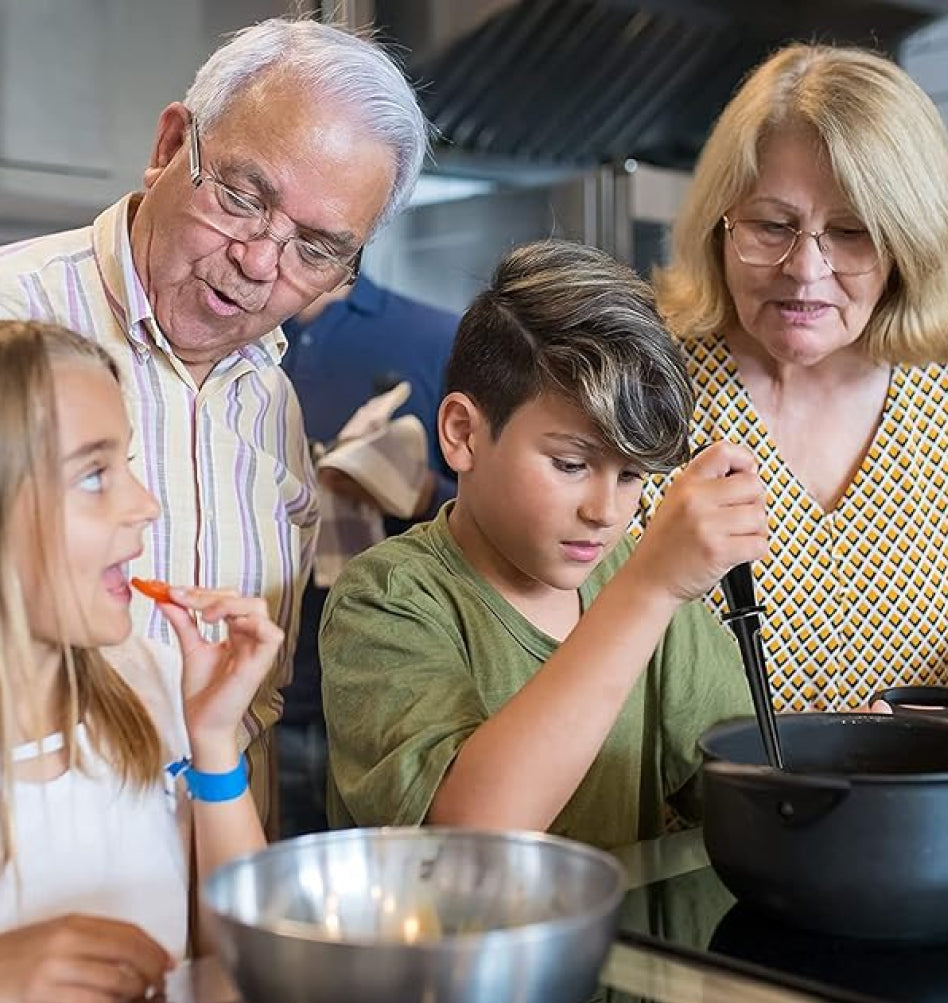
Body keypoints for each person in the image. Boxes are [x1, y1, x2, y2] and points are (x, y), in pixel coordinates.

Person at [0, 17, 430, 831]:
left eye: (317, 249)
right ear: (168, 146)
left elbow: (250, 717)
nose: (261, 261)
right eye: (242, 197)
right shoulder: (9, 322)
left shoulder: (271, 403)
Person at [644, 43, 948, 724]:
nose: (806, 268)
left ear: (911, 244)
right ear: (719, 226)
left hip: (925, 817)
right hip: (707, 826)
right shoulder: (645, 387)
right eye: (772, 225)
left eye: (852, 232)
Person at [320, 239, 768, 846]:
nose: (605, 512)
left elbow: (745, 792)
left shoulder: (641, 584)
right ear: (462, 434)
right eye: (569, 464)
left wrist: (840, 767)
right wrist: (649, 589)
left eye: (632, 476)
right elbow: (471, 834)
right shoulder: (390, 597)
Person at [0, 320, 282, 1003]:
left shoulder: (147, 679)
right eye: (95, 475)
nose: (143, 505)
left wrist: (213, 743)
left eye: (125, 463)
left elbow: (240, 960)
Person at [279, 273, 459, 836]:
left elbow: (501, 513)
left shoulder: (437, 338)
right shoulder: (228, 331)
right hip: (241, 707)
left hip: (388, 707)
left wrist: (421, 491)